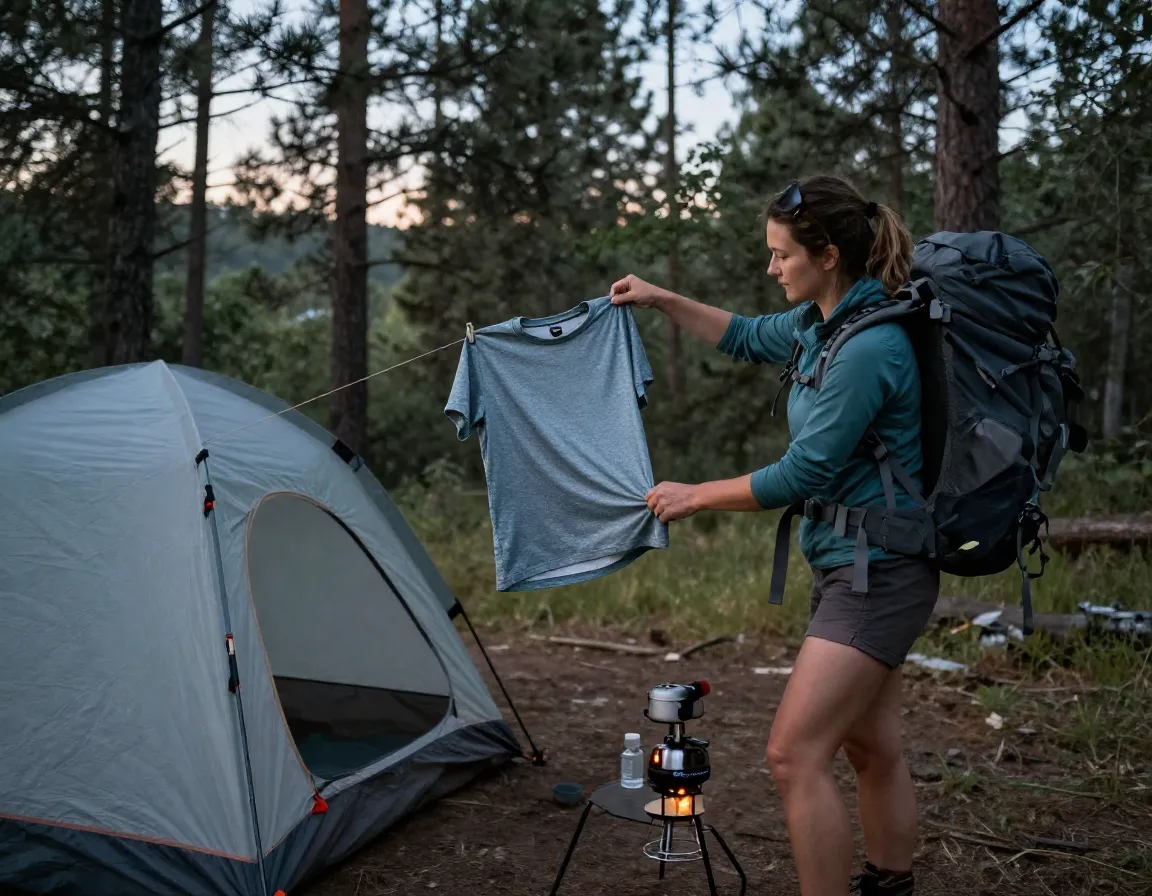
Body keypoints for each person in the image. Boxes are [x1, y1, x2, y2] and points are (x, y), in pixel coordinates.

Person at [609, 173, 937, 896]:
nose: (770, 267)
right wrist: (660, 297)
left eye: (781, 254)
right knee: (870, 746)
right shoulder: (826, 321)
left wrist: (696, 495)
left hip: (878, 572)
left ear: (825, 255)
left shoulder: (866, 348)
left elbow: (802, 473)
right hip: (853, 562)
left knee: (793, 755)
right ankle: (890, 884)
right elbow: (747, 336)